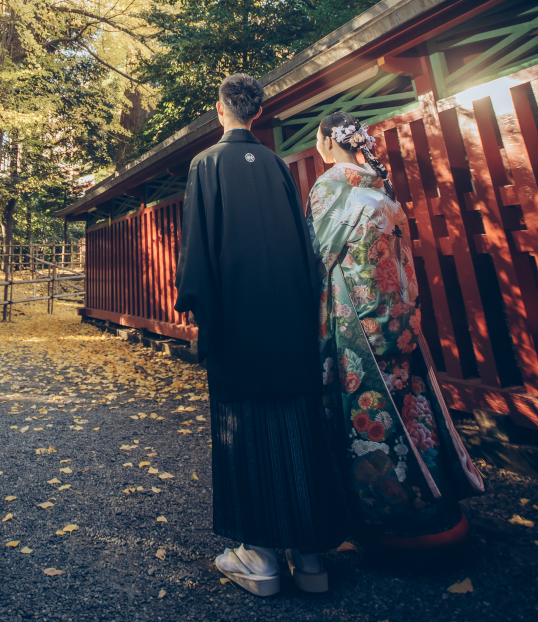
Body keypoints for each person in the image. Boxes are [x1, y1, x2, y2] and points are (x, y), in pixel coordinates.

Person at [175, 73, 350, 596]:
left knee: (246, 429)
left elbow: (199, 248)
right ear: (257, 113)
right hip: (291, 323)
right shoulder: (276, 165)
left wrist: (199, 311)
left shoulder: (205, 165)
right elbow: (303, 246)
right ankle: (312, 559)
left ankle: (261, 558)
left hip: (238, 324)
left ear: (220, 109)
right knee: (297, 426)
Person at [309, 110, 485, 549]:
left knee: (369, 415)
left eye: (318, 138)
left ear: (329, 141)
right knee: (410, 406)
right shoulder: (382, 189)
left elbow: (317, 255)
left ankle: (389, 515)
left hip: (356, 318)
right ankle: (433, 498)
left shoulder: (331, 185)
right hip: (397, 315)